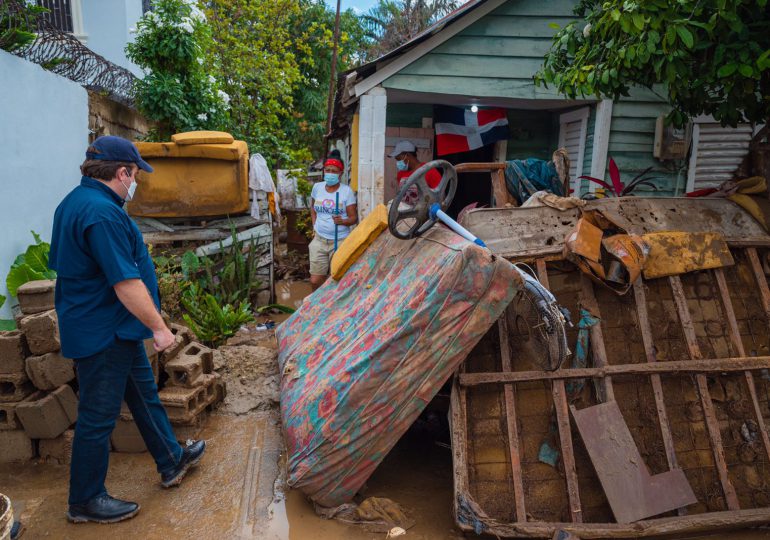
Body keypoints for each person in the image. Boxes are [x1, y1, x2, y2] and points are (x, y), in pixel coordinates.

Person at [49, 136, 206, 524]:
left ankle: (171, 460)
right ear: (121, 172)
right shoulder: (101, 213)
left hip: (115, 328)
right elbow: (125, 282)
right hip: (102, 332)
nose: (135, 182)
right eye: (134, 174)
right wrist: (160, 328)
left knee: (143, 395)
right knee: (98, 417)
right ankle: (84, 500)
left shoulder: (75, 202)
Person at [309, 149, 357, 291]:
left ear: (340, 173)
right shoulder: (317, 188)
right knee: (315, 280)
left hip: (340, 240)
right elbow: (312, 207)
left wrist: (342, 221)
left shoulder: (346, 191)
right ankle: (316, 306)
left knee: (337, 278)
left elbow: (354, 218)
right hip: (319, 240)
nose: (329, 173)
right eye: (327, 170)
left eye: (334, 171)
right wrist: (314, 225)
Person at [389, 140, 442, 205]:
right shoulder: (401, 174)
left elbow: (441, 197)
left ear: (407, 155)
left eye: (399, 159)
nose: (397, 162)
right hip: (405, 212)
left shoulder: (429, 171)